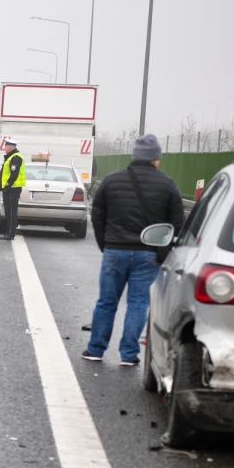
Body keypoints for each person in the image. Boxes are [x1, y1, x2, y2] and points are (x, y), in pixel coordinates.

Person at [83, 134, 185, 366]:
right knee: (138, 304)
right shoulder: (167, 185)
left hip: (115, 251)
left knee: (106, 302)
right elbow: (176, 223)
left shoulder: (111, 181)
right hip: (148, 254)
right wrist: (162, 252)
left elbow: (97, 216)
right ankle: (129, 354)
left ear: (135, 156)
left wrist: (105, 244)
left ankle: (95, 349)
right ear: (155, 159)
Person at [0, 139, 25, 240]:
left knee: (11, 212)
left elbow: (14, 174)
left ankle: (11, 234)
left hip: (12, 188)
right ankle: (8, 232)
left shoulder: (15, 157)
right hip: (10, 188)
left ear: (10, 147)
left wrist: (7, 185)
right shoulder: (11, 157)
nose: (4, 149)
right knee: (8, 211)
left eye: (6, 147)